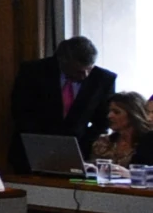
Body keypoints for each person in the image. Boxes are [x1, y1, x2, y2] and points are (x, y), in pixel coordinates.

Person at [9, 36, 119, 169]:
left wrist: (81, 142)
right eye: (78, 70)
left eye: (88, 69)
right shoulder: (33, 72)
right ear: (62, 61)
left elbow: (103, 121)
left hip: (79, 151)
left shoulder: (103, 79)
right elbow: (21, 111)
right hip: (32, 149)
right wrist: (44, 142)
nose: (84, 75)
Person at [90, 92, 153, 167]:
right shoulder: (103, 143)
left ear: (133, 114)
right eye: (109, 111)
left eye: (116, 112)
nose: (109, 116)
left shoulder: (147, 143)